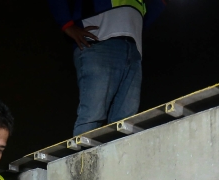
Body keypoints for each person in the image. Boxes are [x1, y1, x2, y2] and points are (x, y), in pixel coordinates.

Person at [48, 0, 166, 136]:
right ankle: (83, 157)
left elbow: (143, 18)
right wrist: (66, 24)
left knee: (126, 122)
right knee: (92, 116)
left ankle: (117, 157)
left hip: (132, 49)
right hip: (98, 41)